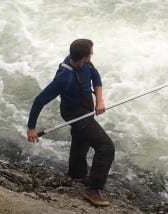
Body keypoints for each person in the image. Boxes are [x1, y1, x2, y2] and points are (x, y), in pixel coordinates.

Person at [26, 39, 115, 206]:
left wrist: (100, 101)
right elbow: (39, 100)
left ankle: (76, 173)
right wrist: (31, 127)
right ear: (83, 57)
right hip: (74, 112)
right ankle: (93, 190)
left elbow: (95, 76)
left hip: (86, 106)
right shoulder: (63, 78)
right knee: (106, 147)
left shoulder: (83, 61)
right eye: (91, 53)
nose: (92, 55)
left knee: (81, 138)